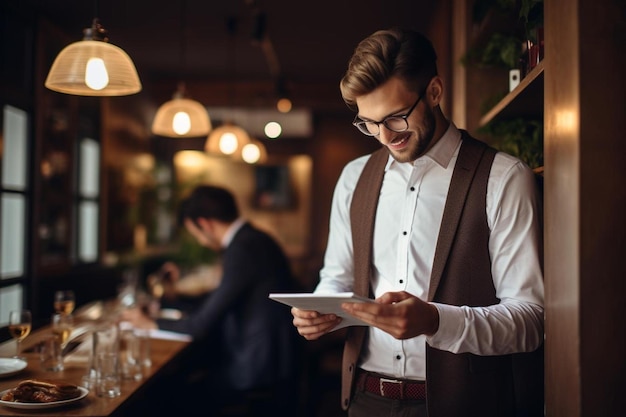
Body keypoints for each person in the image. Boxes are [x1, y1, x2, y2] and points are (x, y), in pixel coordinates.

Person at [290, 28, 544, 417]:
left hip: (465, 404)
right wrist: (320, 312)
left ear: (434, 92)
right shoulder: (353, 178)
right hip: (364, 398)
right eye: (369, 123)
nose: (384, 136)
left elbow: (530, 320)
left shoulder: (504, 178)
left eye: (395, 117)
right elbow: (337, 278)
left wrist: (436, 320)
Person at [122, 185, 302, 416]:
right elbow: (219, 301)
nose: (200, 241)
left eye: (195, 234)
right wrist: (167, 303)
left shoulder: (242, 249)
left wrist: (149, 324)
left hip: (258, 367)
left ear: (205, 224)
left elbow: (200, 326)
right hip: (270, 357)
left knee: (168, 396)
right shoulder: (254, 239)